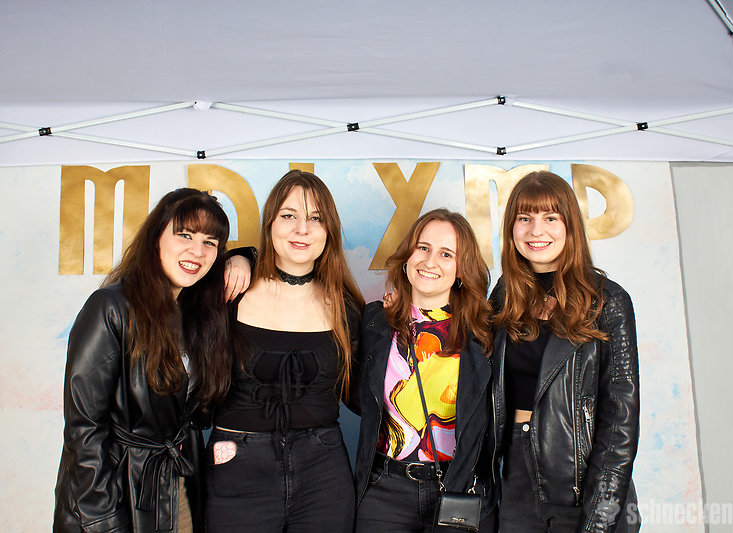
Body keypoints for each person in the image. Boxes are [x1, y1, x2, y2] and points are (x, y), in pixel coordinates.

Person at [53, 188, 232, 533]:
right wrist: (103, 520)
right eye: (185, 235)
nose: (197, 251)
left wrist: (245, 258)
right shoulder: (110, 307)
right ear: (155, 238)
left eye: (210, 242)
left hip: (177, 489)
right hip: (114, 494)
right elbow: (84, 429)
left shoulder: (197, 315)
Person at [204, 170, 364, 533]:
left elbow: (363, 395)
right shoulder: (229, 292)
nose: (302, 229)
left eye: (316, 218)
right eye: (289, 215)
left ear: (329, 230)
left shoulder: (347, 308)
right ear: (270, 223)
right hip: (236, 467)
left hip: (324, 472)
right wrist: (240, 255)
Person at [490, 171, 639, 532]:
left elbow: (620, 424)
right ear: (511, 228)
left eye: (550, 218)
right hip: (515, 480)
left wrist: (600, 515)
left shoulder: (608, 302)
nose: (535, 230)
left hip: (580, 484)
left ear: (570, 226)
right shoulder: (505, 295)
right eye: (524, 218)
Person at [354, 208, 497, 533]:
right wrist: (245, 258)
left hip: (460, 489)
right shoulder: (375, 321)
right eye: (423, 247)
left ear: (461, 269)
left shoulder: (485, 330)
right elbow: (356, 395)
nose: (430, 261)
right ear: (407, 256)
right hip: (384, 492)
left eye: (447, 254)